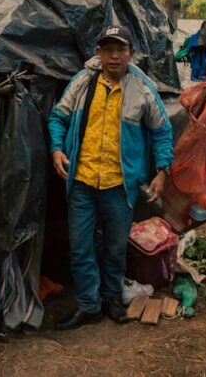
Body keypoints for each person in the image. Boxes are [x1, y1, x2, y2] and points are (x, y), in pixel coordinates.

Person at [48, 25, 174, 330]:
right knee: (80, 248)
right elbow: (58, 117)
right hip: (82, 182)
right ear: (98, 52)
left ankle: (111, 301)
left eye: (120, 49)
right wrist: (56, 148)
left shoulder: (142, 88)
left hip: (120, 186)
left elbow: (162, 131)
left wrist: (162, 170)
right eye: (107, 49)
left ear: (131, 53)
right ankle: (88, 305)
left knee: (116, 248)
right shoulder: (82, 82)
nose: (114, 56)